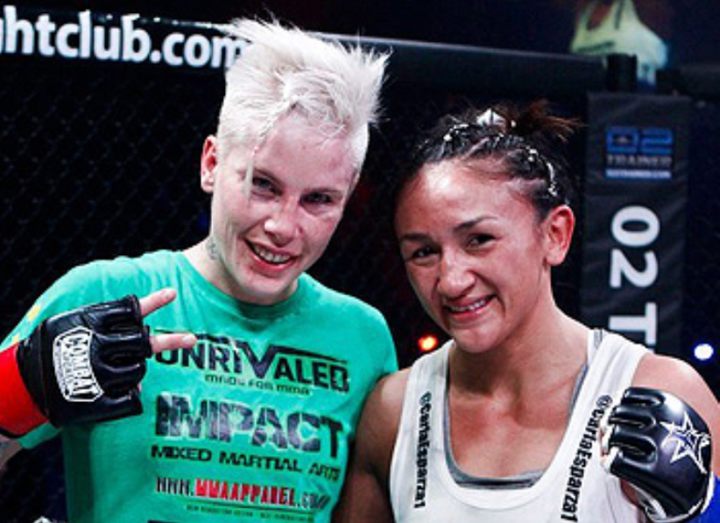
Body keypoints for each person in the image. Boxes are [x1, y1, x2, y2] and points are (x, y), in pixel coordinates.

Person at [0, 19, 396, 523]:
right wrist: (21, 390)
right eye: (263, 185)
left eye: (318, 199)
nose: (283, 226)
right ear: (211, 163)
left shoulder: (362, 337)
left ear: (348, 195)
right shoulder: (104, 294)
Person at [334, 102, 719, 522]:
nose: (451, 281)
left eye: (479, 239)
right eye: (424, 252)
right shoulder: (394, 411)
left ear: (555, 234)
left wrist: (703, 509)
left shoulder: (658, 388)